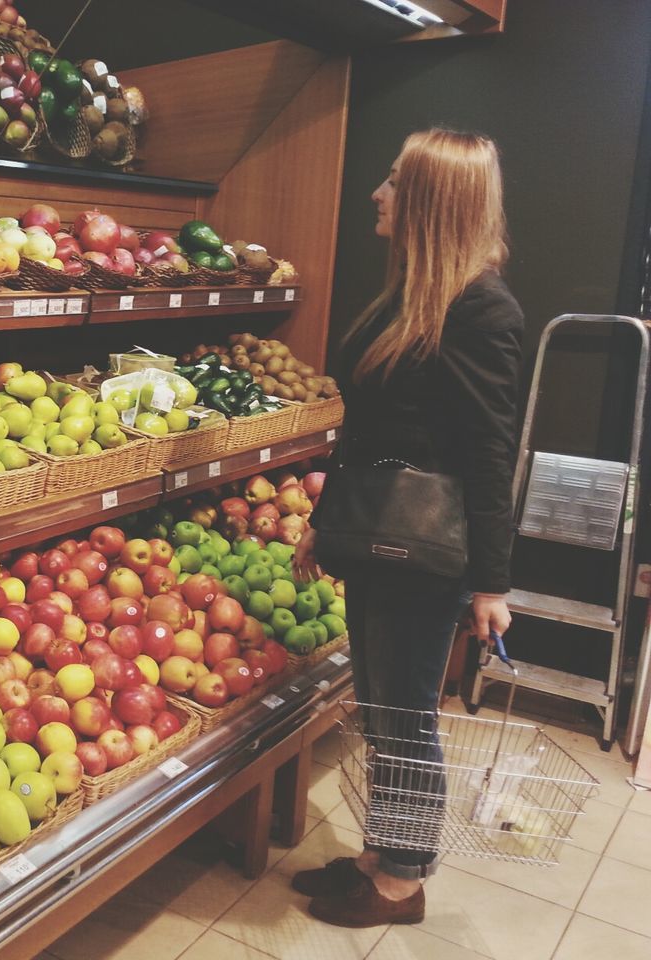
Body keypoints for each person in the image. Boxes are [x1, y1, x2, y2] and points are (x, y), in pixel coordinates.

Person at [291, 128, 523, 927]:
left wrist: (492, 580)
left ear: (428, 201)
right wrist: (325, 522)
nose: (376, 195)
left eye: (392, 182)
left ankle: (404, 879)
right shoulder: (412, 294)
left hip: (423, 554)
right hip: (377, 536)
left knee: (405, 714)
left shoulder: (483, 310)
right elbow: (366, 433)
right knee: (385, 705)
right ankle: (378, 854)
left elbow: (492, 455)